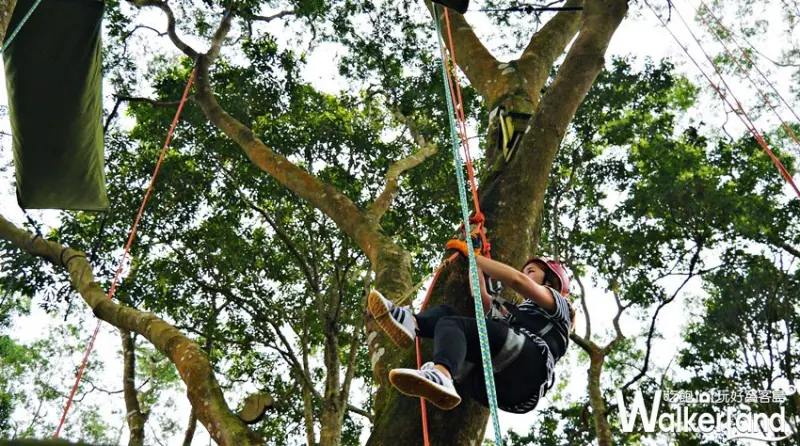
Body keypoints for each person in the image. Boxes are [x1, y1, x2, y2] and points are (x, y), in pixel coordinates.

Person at [367, 243, 575, 413]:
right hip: (501, 390)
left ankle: (441, 374)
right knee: (448, 316)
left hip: (529, 364)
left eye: (531, 271)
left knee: (453, 325)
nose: (525, 274)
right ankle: (412, 323)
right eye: (525, 271)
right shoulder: (519, 317)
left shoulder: (561, 305)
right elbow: (482, 300)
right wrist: (475, 263)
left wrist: (473, 256)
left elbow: (516, 280)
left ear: (552, 281)